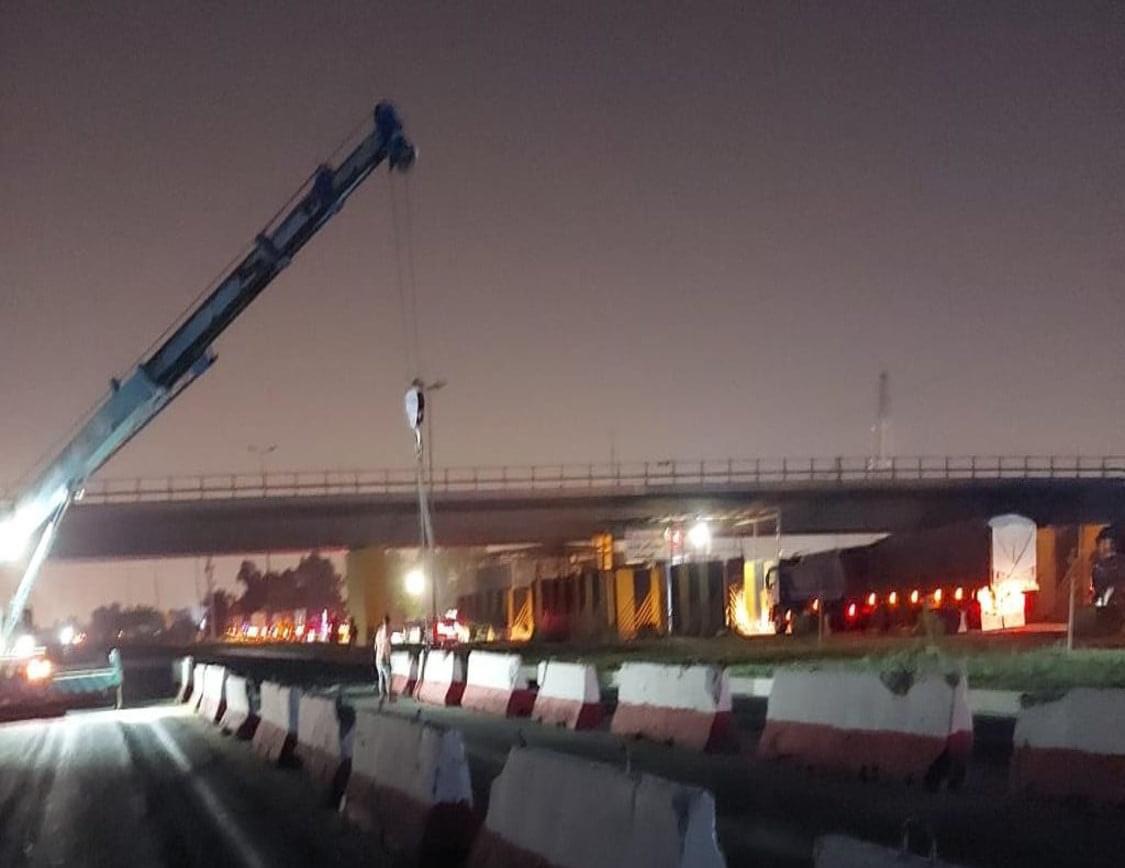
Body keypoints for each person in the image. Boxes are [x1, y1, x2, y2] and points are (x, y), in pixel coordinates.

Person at [373, 614, 393, 699]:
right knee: (388, 677)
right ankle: (389, 695)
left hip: (378, 658)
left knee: (380, 677)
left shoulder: (378, 633)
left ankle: (381, 694)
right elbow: (386, 642)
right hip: (384, 657)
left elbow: (375, 647)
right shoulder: (386, 630)